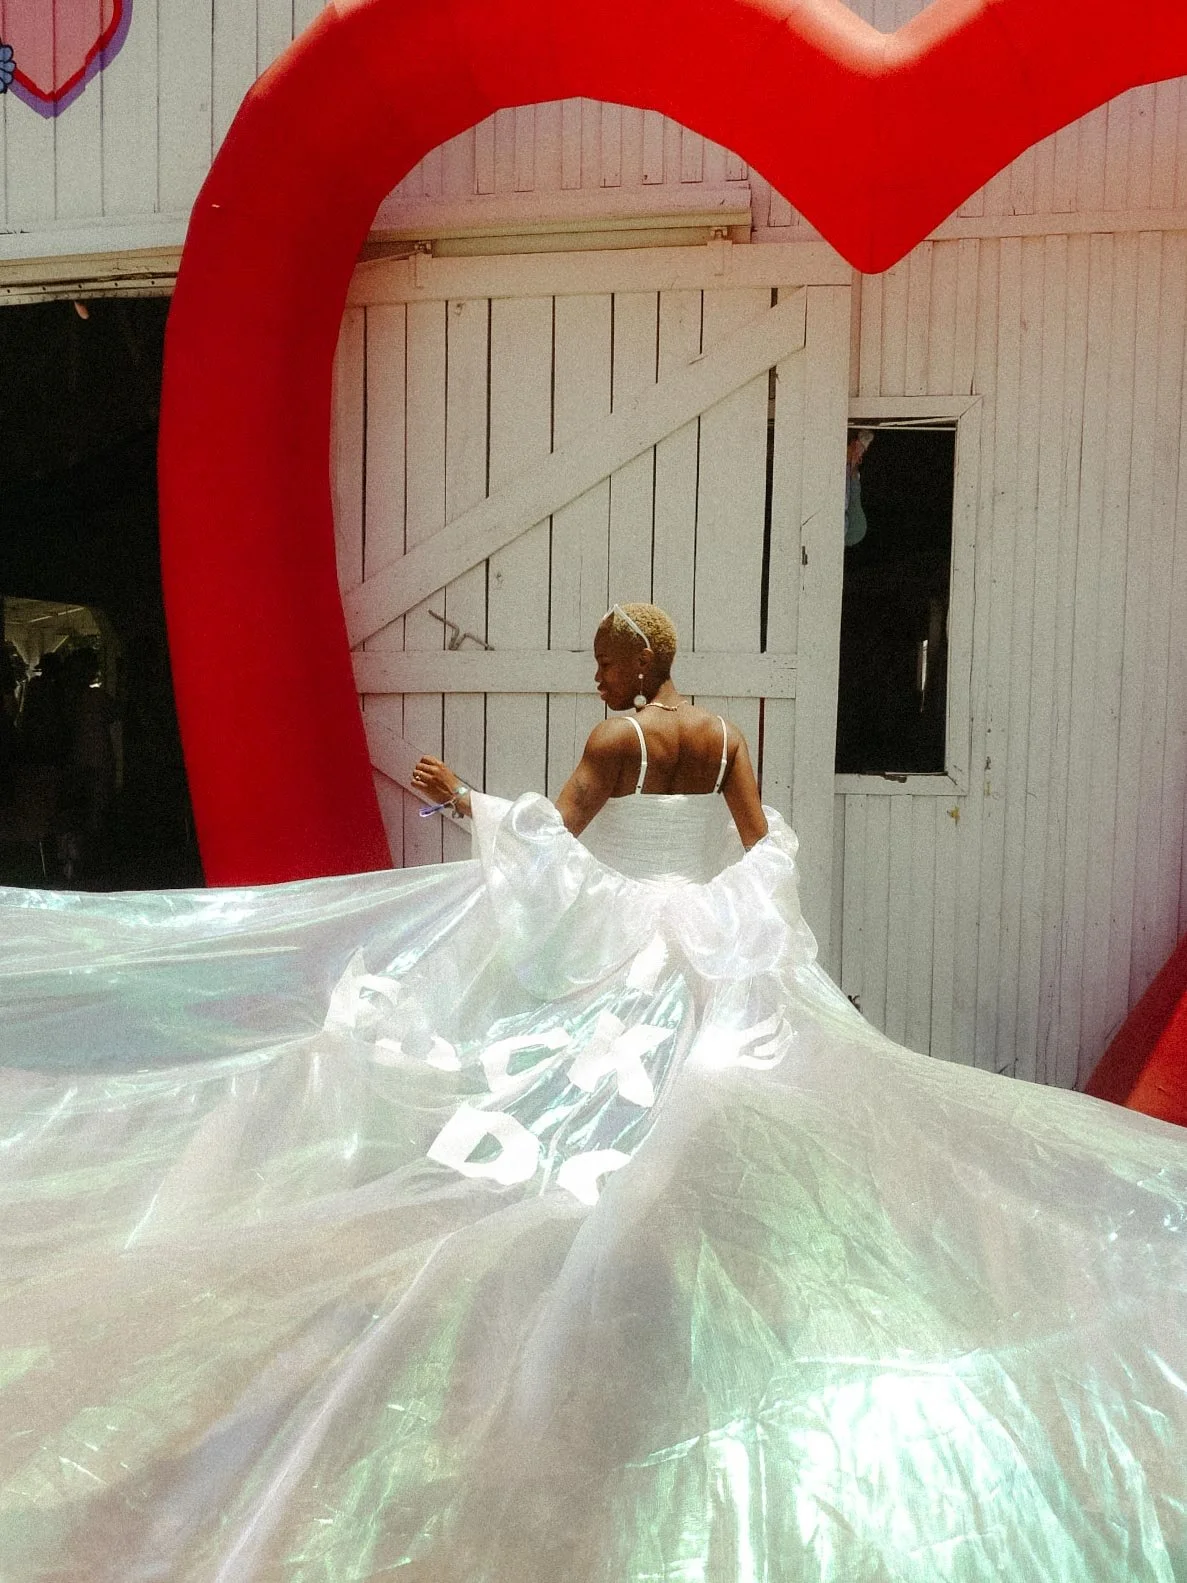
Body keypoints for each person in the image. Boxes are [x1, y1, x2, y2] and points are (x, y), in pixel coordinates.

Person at [0, 603, 1186, 1581]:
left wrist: (465, 803)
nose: (592, 667)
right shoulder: (720, 738)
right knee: (683, 1102)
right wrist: (726, 920)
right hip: (697, 935)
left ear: (637, 663)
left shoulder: (613, 744)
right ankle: (674, 1266)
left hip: (631, 940)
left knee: (590, 1110)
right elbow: (761, 840)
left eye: (603, 655)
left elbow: (555, 850)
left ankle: (621, 1292)